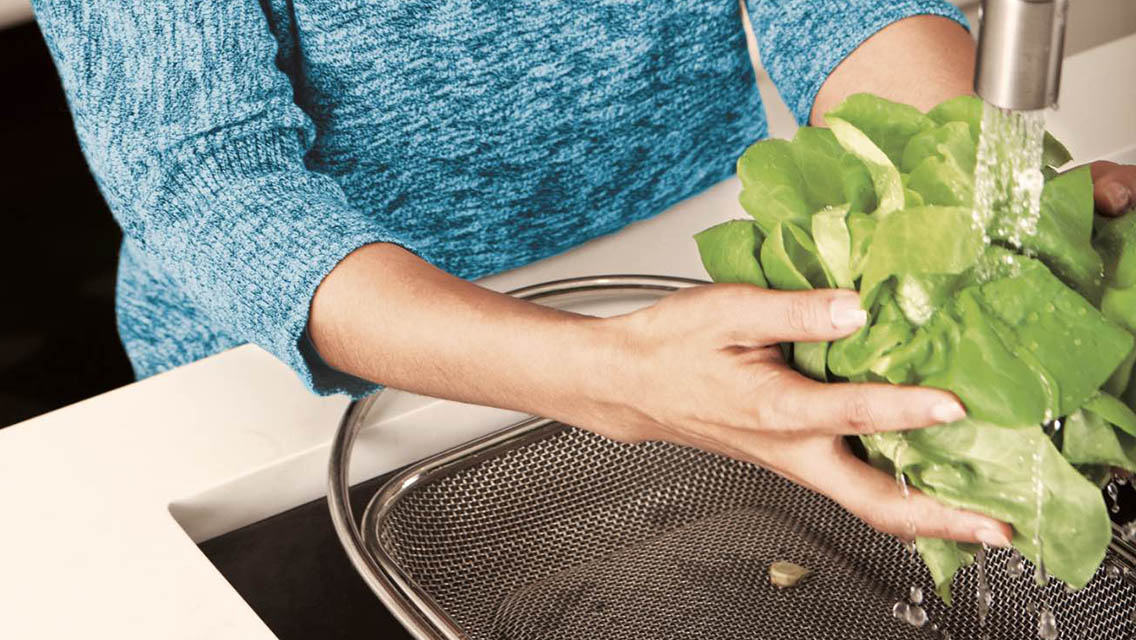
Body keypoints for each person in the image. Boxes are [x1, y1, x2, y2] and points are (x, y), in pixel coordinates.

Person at [33, 0, 1135, 548]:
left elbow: (839, 7)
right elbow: (204, 178)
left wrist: (959, 213)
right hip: (287, 366)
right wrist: (600, 371)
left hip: (669, 283)